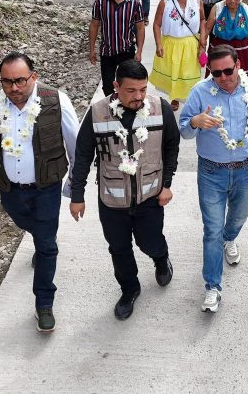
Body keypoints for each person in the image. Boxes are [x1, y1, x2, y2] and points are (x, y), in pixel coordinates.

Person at [0, 52, 79, 333]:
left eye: (20, 81)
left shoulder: (55, 101)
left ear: (33, 77)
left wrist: (76, 185)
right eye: (7, 82)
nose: (14, 88)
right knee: (29, 226)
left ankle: (44, 303)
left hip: (46, 187)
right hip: (9, 189)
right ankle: (41, 239)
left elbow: (76, 144)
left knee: (47, 244)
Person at [70, 60, 180, 320]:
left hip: (150, 197)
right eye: (131, 91)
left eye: (142, 90)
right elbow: (83, 154)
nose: (138, 97)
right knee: (119, 249)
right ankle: (129, 289)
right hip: (112, 199)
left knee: (150, 241)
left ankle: (161, 258)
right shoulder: (97, 113)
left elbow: (171, 147)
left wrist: (166, 185)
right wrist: (77, 196)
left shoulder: (160, 108)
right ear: (116, 86)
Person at [179, 45, 248, 313]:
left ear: (238, 65)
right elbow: (183, 129)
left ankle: (230, 238)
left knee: (239, 217)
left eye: (228, 70)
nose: (224, 77)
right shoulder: (200, 92)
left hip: (245, 167)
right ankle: (213, 287)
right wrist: (195, 121)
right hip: (211, 171)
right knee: (212, 230)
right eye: (217, 73)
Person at [150, 0, 206, 111]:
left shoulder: (197, 0)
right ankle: (174, 97)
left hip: (190, 44)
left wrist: (203, 42)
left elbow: (202, 20)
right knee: (173, 72)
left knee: (189, 73)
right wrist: (158, 44)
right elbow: (156, 24)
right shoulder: (165, 2)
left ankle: (191, 99)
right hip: (171, 44)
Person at [89, 0, 145, 96]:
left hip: (127, 51)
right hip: (107, 52)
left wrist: (139, 51)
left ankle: (126, 109)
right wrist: (91, 50)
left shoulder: (135, 4)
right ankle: (112, 110)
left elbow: (140, 28)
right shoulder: (100, 3)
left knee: (128, 84)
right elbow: (94, 26)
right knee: (108, 86)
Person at [204, 0, 248, 75]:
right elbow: (207, 28)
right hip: (220, 48)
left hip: (242, 49)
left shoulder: (247, 9)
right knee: (218, 75)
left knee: (240, 77)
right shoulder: (218, 7)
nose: (232, 0)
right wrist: (201, 48)